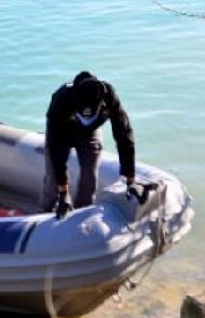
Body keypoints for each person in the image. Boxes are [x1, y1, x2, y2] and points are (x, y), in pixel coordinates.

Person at [41, 71, 135, 219]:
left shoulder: (109, 97)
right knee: (52, 181)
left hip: (90, 134)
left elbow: (124, 135)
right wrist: (63, 192)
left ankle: (80, 217)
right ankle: (44, 215)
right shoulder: (61, 99)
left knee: (89, 178)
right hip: (62, 134)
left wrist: (130, 178)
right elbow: (55, 146)